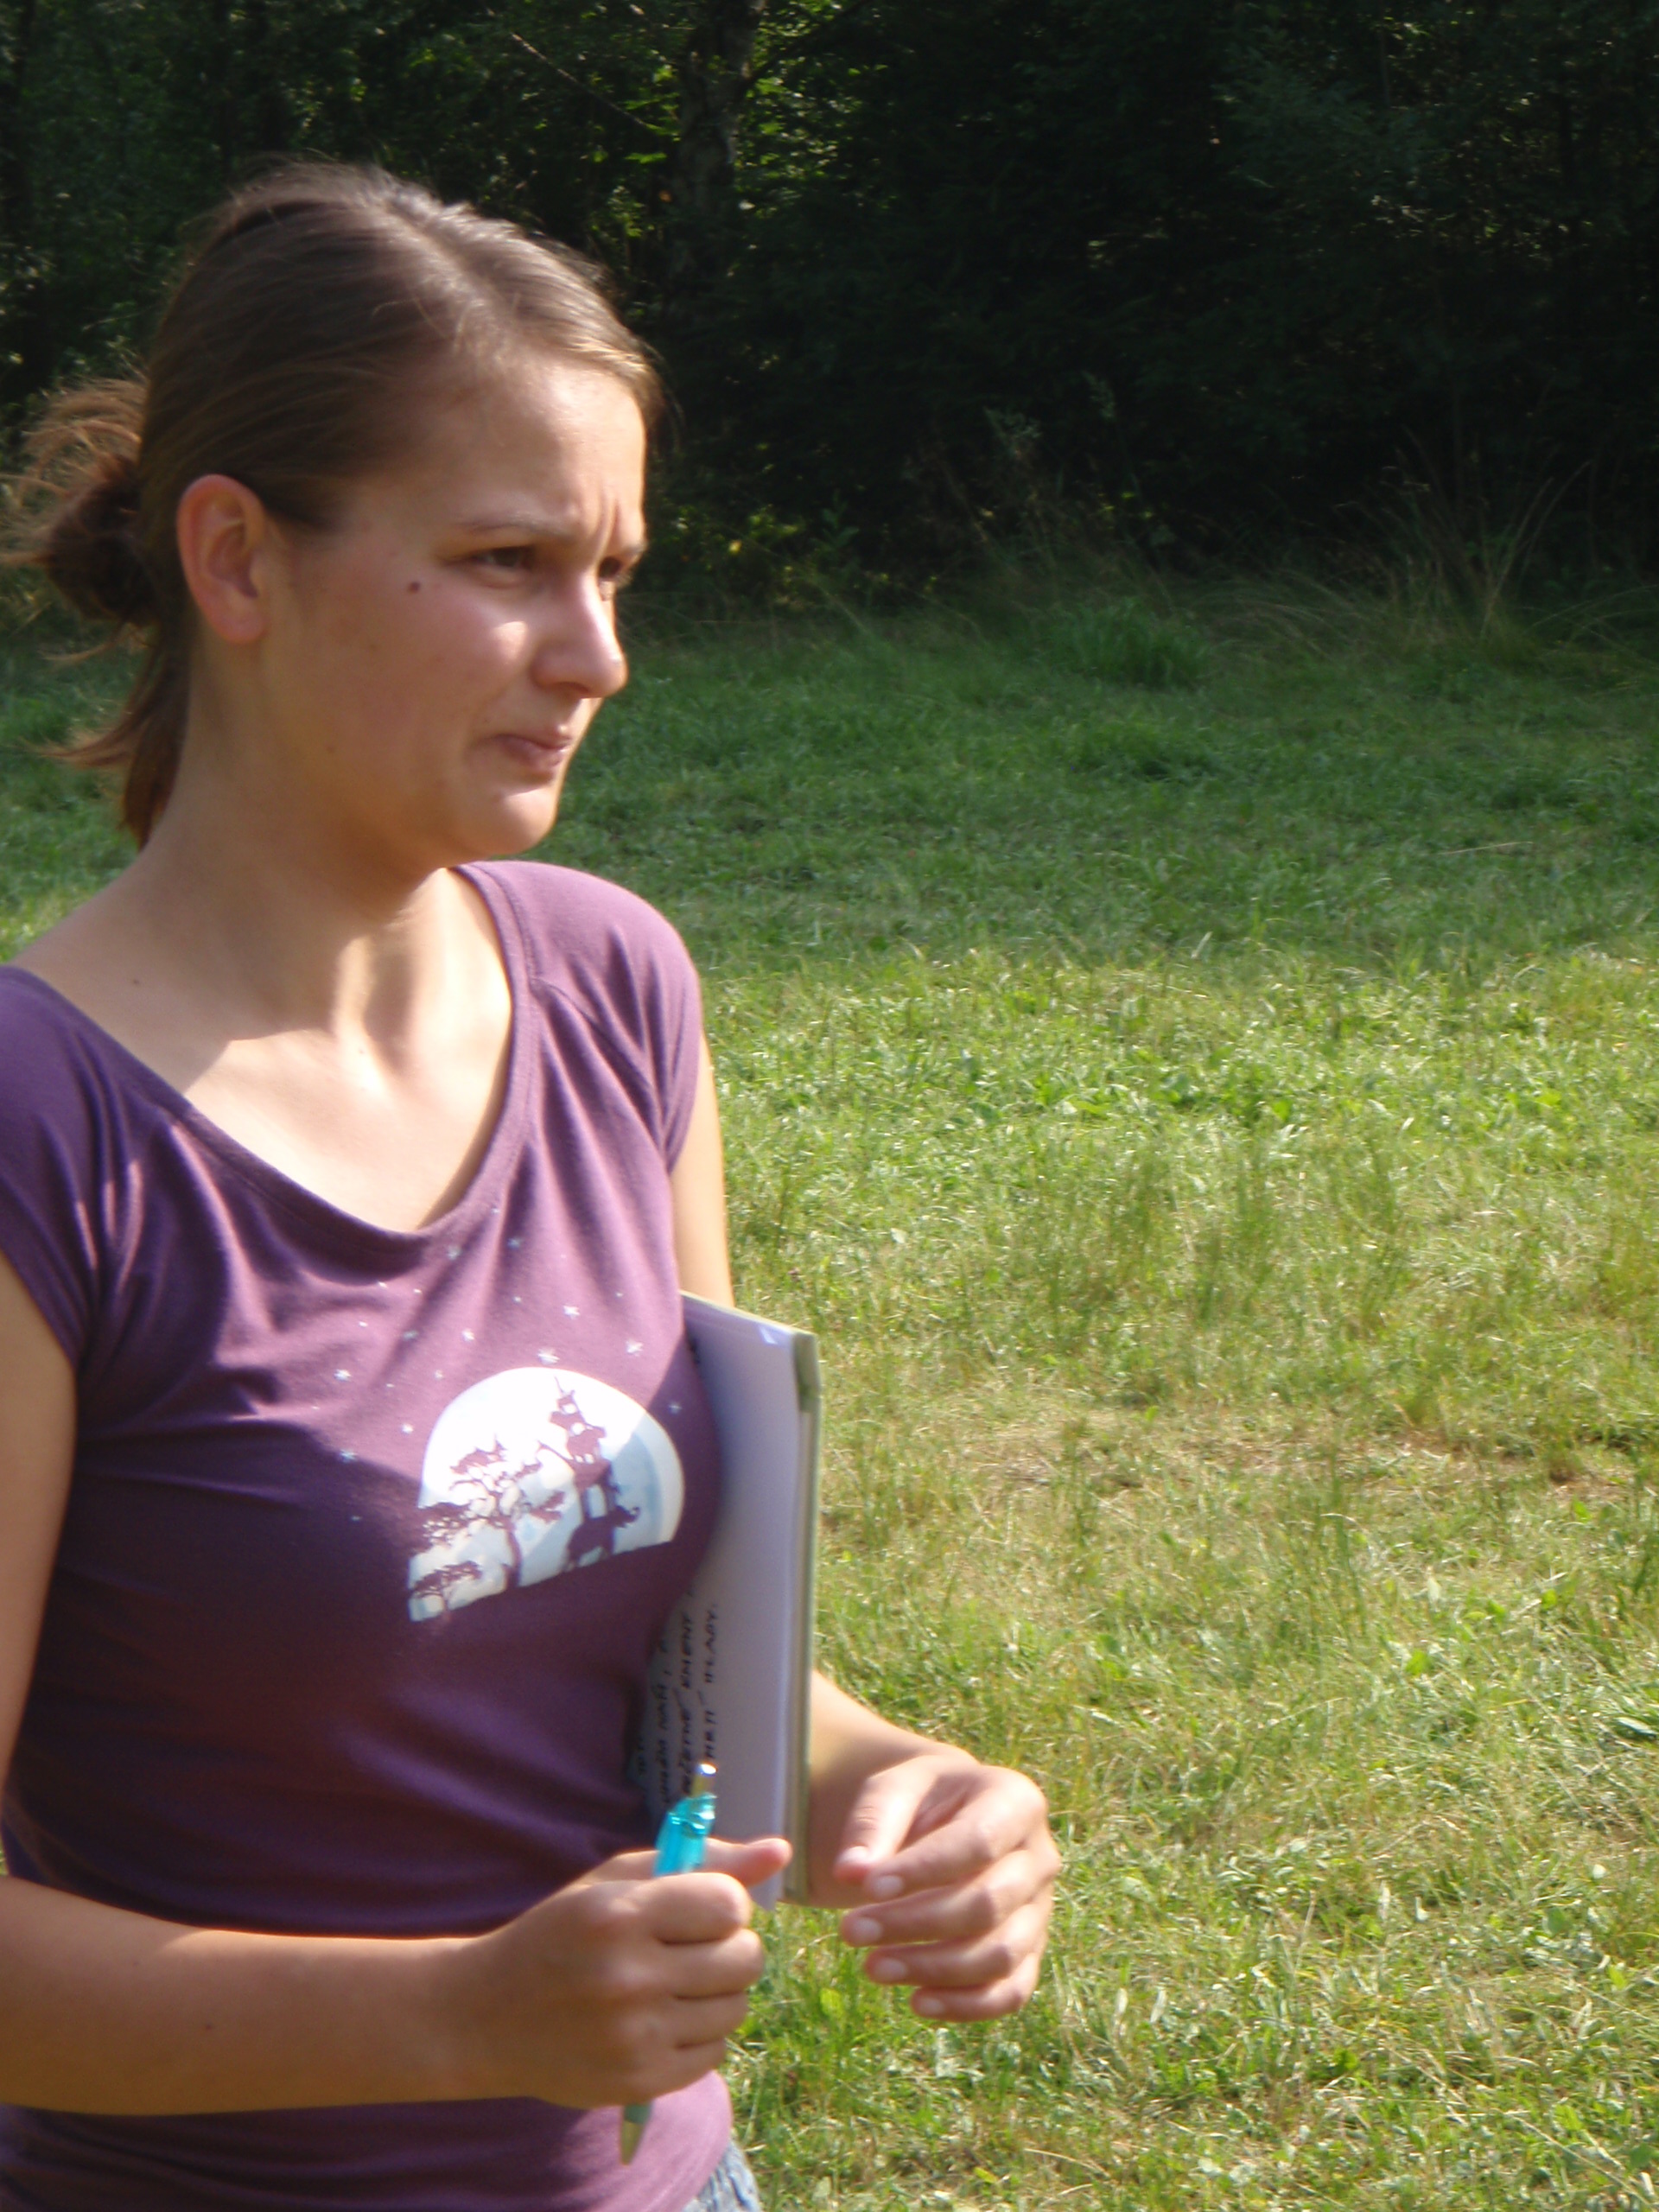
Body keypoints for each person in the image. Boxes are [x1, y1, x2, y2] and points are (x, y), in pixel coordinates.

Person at [0, 165, 1058, 2212]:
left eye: (616, 569)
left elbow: (698, 1650)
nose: (599, 654)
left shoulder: (613, 990)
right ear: (234, 556)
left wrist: (902, 1788)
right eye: (508, 561)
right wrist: (457, 2014)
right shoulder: (46, 1127)